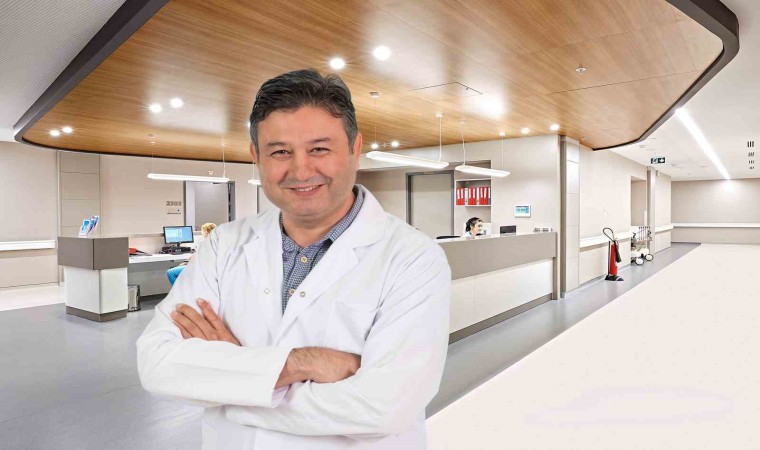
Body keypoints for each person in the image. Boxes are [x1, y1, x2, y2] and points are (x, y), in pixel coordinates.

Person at [137, 69, 451, 449]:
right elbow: (157, 364)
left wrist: (234, 383)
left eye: (319, 149)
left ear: (355, 148)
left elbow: (384, 407)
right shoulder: (224, 245)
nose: (301, 171)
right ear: (256, 156)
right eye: (280, 152)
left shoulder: (414, 258)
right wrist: (299, 363)